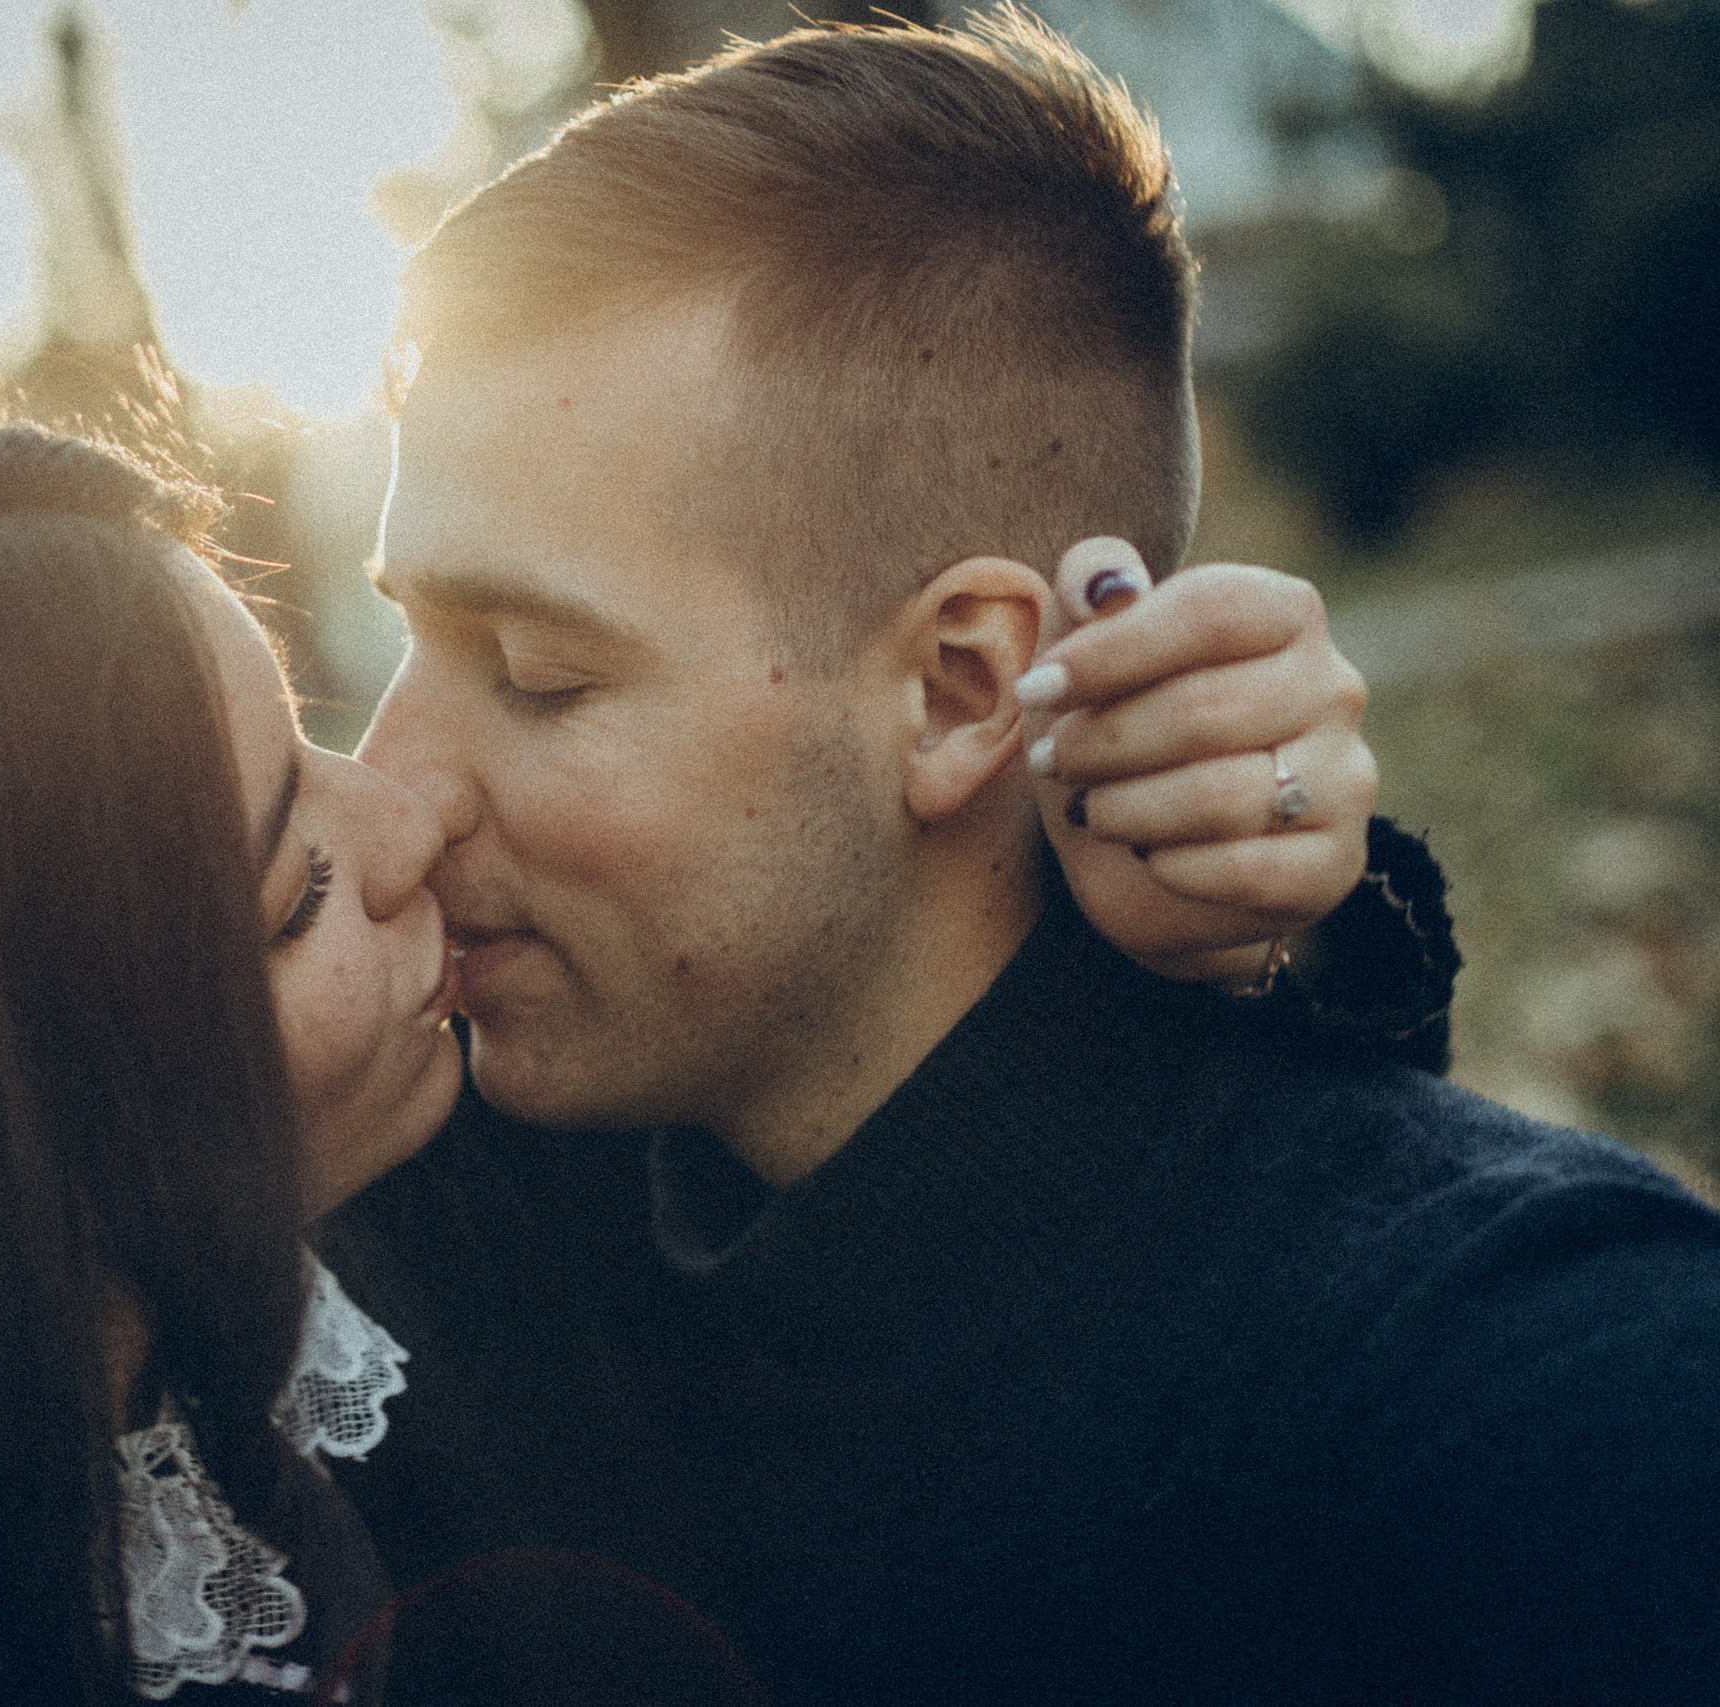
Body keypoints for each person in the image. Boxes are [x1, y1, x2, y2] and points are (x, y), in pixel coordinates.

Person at [0, 408, 1413, 1706]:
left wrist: (1208, 883)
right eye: (291, 883)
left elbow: (910, 1287)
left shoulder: (428, 1266)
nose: (408, 815)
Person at [321, 13, 1720, 1705]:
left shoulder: (1548, 1405)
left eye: (539, 671)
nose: (391, 788)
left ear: (961, 684)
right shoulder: (404, 1241)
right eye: (404, 642)